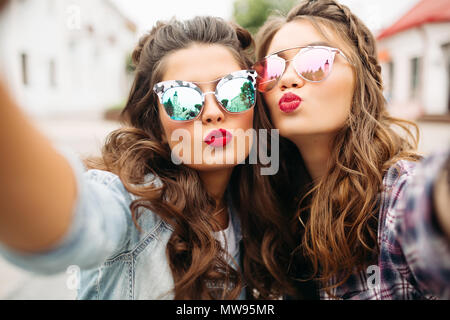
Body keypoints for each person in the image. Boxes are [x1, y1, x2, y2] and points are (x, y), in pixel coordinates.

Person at [0, 15, 281, 300]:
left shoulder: (256, 204)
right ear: (156, 125)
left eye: (233, 89)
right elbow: (70, 225)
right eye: (181, 99)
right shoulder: (135, 206)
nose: (212, 112)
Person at [252, 0, 450, 299]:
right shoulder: (270, 201)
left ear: (362, 80)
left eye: (314, 62)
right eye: (272, 69)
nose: (288, 79)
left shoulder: (398, 192)